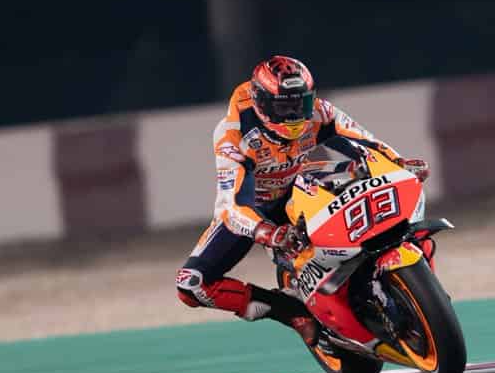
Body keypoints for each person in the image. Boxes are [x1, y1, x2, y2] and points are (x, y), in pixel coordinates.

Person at [175, 55, 432, 345]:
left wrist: (400, 162)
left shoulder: (321, 111)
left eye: (301, 103)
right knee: (191, 284)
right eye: (284, 106)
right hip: (257, 210)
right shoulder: (233, 133)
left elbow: (365, 140)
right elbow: (230, 205)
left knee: (367, 173)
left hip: (308, 188)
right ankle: (288, 311)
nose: (295, 114)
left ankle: (412, 263)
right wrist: (267, 231)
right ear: (262, 103)